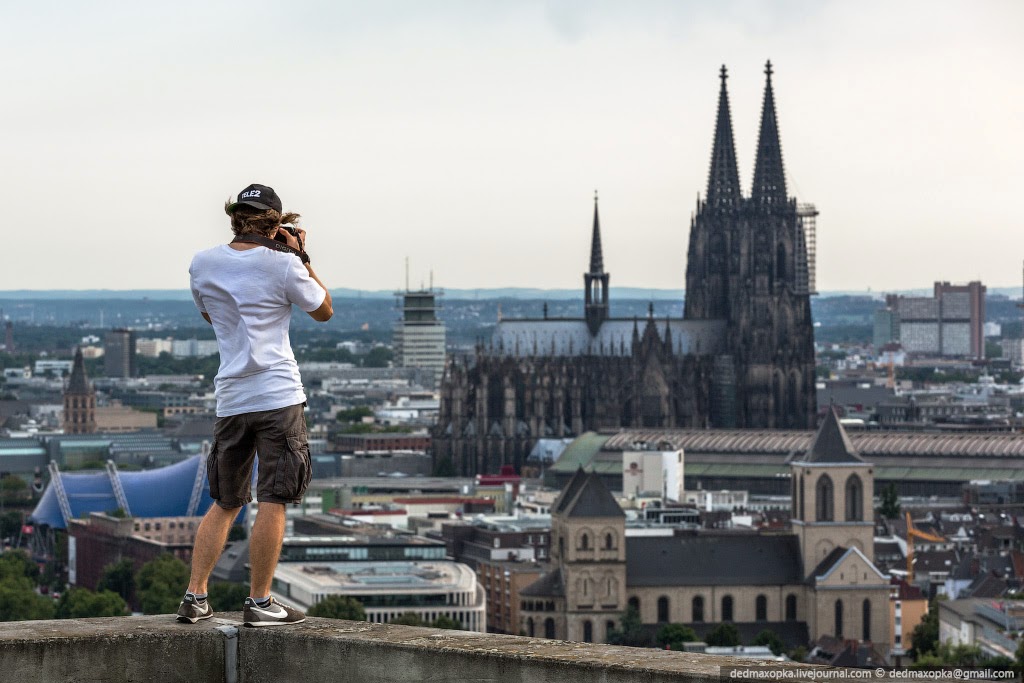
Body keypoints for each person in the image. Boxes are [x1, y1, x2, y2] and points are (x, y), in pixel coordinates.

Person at [177, 183, 332, 626]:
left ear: (234, 218)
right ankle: (260, 602)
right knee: (274, 499)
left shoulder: (202, 263)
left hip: (231, 397)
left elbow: (210, 315)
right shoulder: (284, 265)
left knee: (227, 500)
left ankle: (195, 596)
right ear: (277, 224)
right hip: (278, 395)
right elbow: (324, 311)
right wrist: (302, 256)